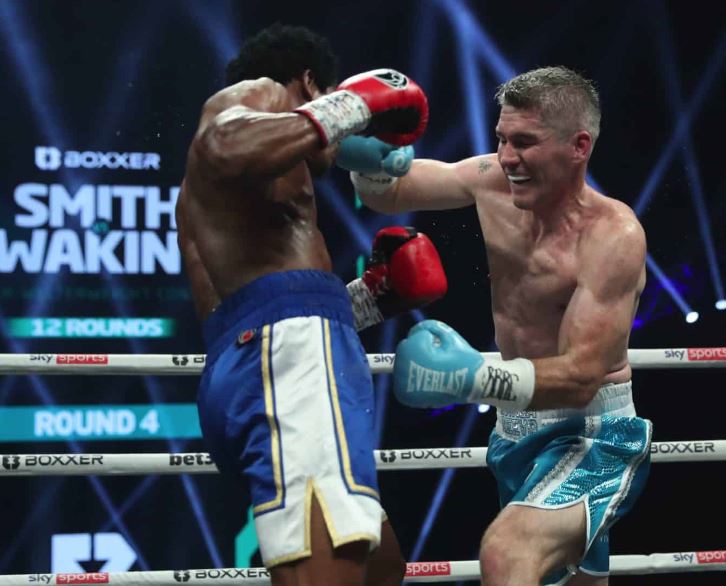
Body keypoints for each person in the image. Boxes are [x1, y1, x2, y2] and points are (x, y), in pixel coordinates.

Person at [339, 66, 652, 585]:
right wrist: (368, 157)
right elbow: (388, 194)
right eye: (503, 138)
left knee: (507, 552)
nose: (507, 157)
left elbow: (582, 376)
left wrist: (474, 379)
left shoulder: (612, 236)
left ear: (579, 146)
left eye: (524, 143)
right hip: (514, 430)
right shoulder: (490, 180)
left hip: (592, 435)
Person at [175, 23, 447, 586]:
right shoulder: (259, 94)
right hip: (287, 363)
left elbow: (259, 305)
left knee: (380, 567)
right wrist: (353, 104)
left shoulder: (227, 197)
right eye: (328, 100)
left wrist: (369, 300)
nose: (343, 141)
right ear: (307, 82)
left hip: (253, 362)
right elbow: (224, 145)